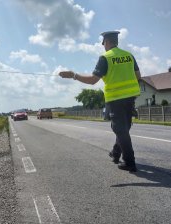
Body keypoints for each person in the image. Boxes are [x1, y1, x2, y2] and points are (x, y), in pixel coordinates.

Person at [59, 31, 141, 172]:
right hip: (131, 97)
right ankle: (116, 153)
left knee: (119, 129)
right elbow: (138, 76)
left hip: (116, 99)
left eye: (103, 43)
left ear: (107, 42)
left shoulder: (105, 58)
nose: (103, 46)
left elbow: (92, 80)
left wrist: (74, 75)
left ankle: (130, 162)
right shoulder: (129, 55)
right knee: (124, 128)